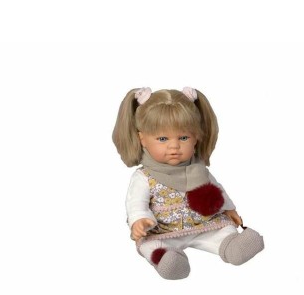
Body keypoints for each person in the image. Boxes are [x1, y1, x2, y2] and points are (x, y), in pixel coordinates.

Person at [112, 87, 264, 280]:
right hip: (163, 231)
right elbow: (135, 203)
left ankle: (232, 246)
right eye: (162, 139)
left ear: (196, 137)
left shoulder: (198, 168)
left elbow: (216, 189)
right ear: (142, 139)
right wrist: (139, 220)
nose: (174, 146)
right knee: (150, 245)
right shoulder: (144, 177)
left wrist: (229, 209)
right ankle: (168, 260)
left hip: (204, 224)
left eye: (183, 137)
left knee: (224, 229)